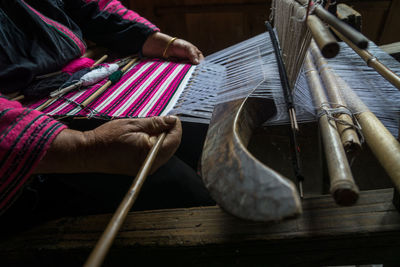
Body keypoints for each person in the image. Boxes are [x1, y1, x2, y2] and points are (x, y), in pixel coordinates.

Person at [0, 0, 213, 228]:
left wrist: (151, 38)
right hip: (28, 131)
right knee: (180, 189)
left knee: (197, 127)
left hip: (75, 81)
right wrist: (86, 146)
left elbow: (87, 6)